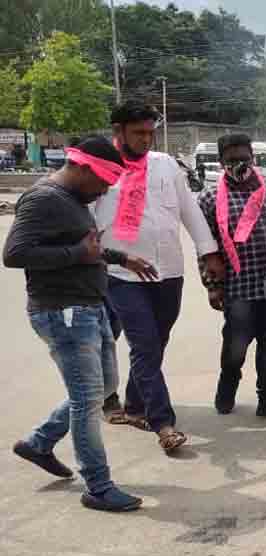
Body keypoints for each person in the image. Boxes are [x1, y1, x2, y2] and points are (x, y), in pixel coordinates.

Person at [6, 136, 156, 512]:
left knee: (103, 387)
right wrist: (78, 254)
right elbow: (15, 254)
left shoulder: (73, 200)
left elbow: (85, 245)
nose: (105, 189)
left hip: (88, 306)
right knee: (89, 401)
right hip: (63, 311)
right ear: (83, 167)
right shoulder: (44, 199)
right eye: (103, 181)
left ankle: (39, 442)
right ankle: (99, 486)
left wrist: (120, 257)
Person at [93, 101, 223, 454]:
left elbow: (189, 210)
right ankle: (163, 422)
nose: (147, 139)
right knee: (145, 344)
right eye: (138, 133)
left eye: (151, 132)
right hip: (122, 275)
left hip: (168, 272)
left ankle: (135, 404)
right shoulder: (101, 170)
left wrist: (208, 252)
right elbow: (86, 225)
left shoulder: (165, 165)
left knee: (157, 342)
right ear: (118, 132)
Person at [196, 134, 266, 419]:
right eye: (232, 160)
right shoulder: (209, 198)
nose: (239, 165)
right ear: (221, 163)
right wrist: (212, 287)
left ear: (253, 158)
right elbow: (205, 248)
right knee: (236, 347)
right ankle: (228, 384)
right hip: (238, 288)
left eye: (244, 158)